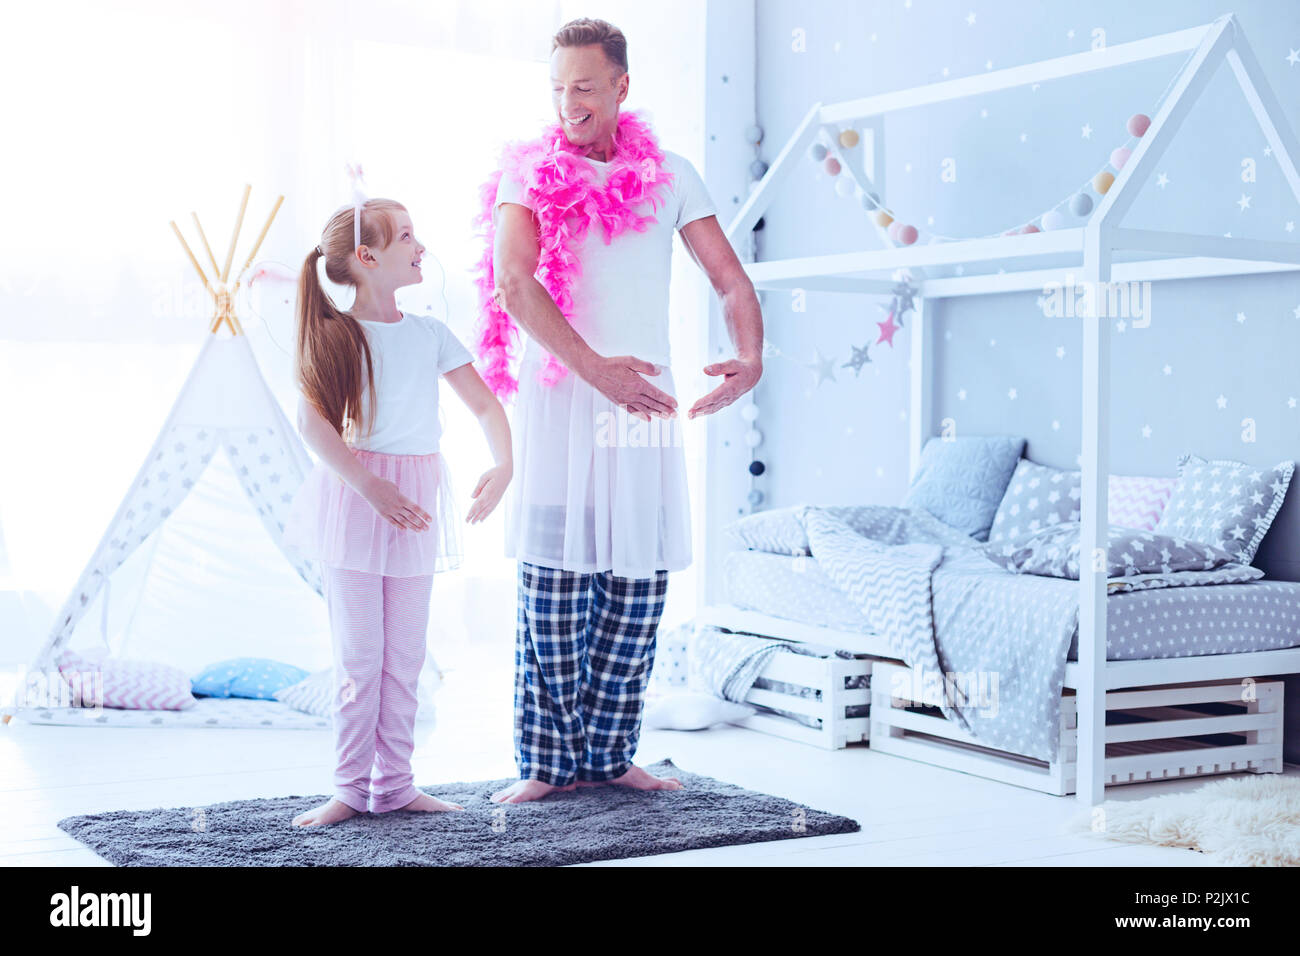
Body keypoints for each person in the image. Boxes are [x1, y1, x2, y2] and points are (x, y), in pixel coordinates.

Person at [477, 18, 763, 804]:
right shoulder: (526, 175)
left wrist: (751, 355)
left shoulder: (671, 174)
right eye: (559, 87)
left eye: (586, 87)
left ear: (622, 86)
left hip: (642, 400)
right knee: (554, 584)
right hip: (568, 398)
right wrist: (595, 371)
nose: (569, 103)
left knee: (635, 585)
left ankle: (610, 755)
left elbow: (731, 281)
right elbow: (515, 283)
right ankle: (544, 763)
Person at [283, 198, 512, 827]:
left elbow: (487, 408)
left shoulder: (431, 333)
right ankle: (351, 788)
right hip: (359, 503)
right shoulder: (337, 336)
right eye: (407, 236)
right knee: (361, 660)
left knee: (404, 658)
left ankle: (397, 785)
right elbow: (313, 425)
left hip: (413, 500)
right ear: (367, 258)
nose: (420, 245)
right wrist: (368, 486)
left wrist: (504, 464)